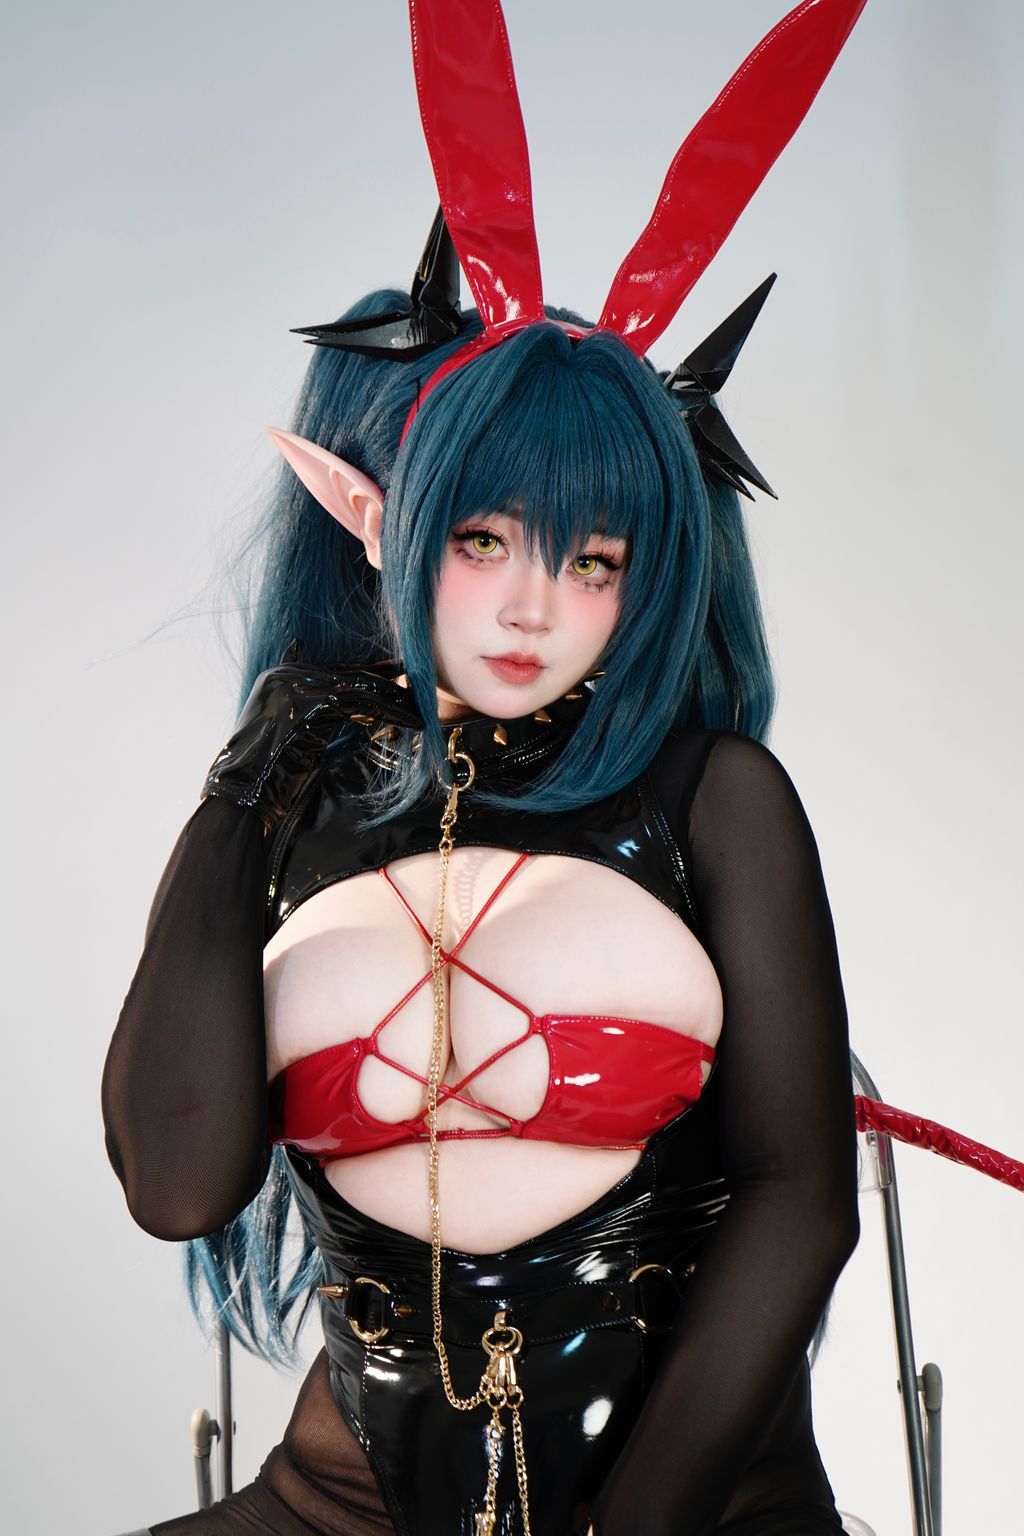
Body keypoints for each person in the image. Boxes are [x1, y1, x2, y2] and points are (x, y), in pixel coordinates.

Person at [101, 2, 875, 1532]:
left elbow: (803, 1201)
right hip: (347, 1501)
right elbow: (176, 1188)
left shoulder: (714, 799)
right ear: (384, 518)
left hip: (701, 1507)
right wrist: (249, 781)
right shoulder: (308, 805)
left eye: (591, 561)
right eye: (482, 540)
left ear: (648, 573)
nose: (532, 609)